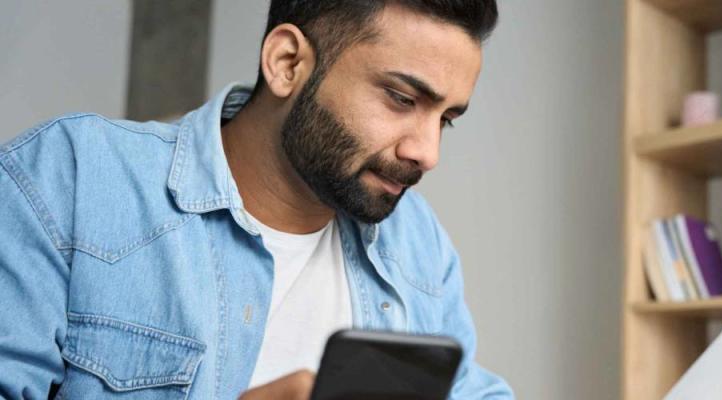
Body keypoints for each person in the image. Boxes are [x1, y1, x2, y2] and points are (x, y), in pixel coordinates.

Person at [0, 0, 513, 398]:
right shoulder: (70, 178)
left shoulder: (420, 244)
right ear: (287, 63)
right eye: (402, 99)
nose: (427, 152)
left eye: (445, 119)